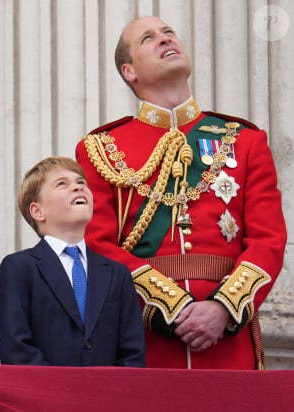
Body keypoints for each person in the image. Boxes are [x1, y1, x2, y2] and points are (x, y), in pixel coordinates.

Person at [75, 16, 287, 369]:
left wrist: (223, 308)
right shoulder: (101, 149)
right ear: (129, 71)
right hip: (145, 341)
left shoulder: (245, 141)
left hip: (228, 340)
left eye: (169, 32)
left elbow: (269, 240)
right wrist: (172, 307)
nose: (164, 38)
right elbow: (96, 245)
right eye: (148, 38)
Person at [0, 156, 145, 366]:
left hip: (106, 395)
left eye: (81, 182)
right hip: (44, 394)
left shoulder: (117, 274)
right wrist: (59, 391)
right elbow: (15, 346)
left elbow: (132, 352)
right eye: (62, 184)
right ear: (38, 211)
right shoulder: (19, 268)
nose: (77, 187)